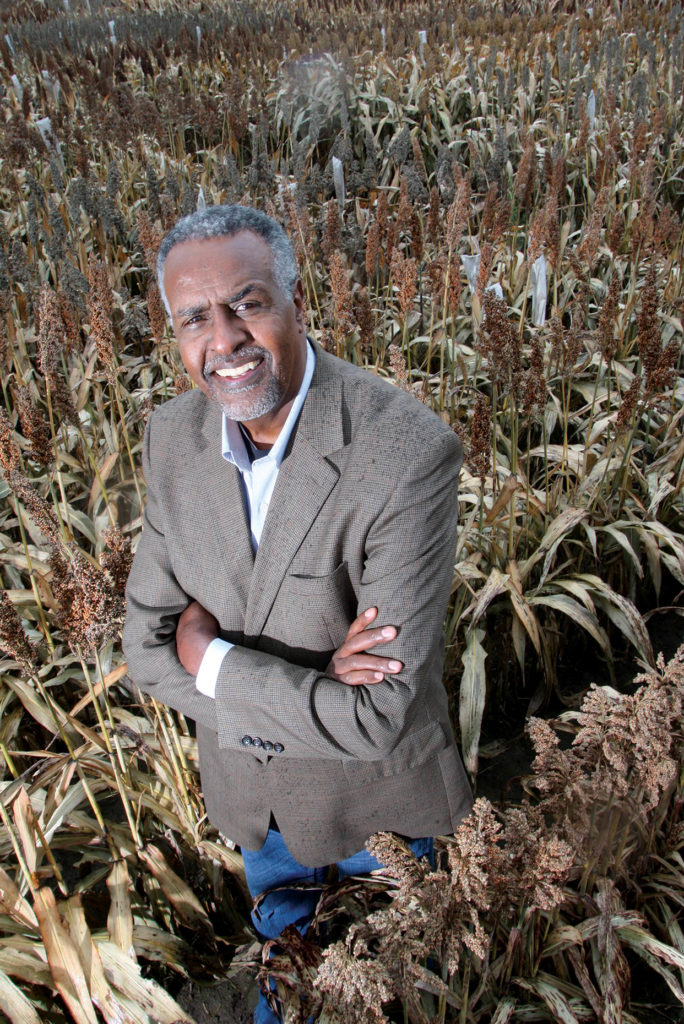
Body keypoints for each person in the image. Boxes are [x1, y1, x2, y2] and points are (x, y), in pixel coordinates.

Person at [123, 205, 472, 1023]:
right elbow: (144, 650)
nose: (224, 340)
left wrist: (210, 660)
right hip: (259, 814)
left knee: (402, 1000)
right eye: (194, 319)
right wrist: (321, 686)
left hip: (382, 818)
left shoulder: (404, 452)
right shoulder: (172, 437)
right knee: (289, 990)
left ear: (297, 299)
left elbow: (381, 714)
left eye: (247, 303)